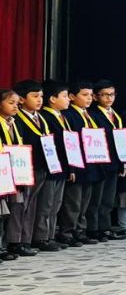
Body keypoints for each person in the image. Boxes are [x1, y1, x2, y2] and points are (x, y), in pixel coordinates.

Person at [8, 80, 51, 254]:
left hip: (41, 166)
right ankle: (15, 241)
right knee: (20, 206)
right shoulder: (17, 119)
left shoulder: (41, 118)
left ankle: (27, 239)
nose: (39, 100)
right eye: (35, 96)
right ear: (22, 99)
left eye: (41, 96)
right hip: (24, 168)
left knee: (32, 205)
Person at [60, 80, 102, 247]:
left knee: (85, 201)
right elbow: (69, 142)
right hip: (77, 163)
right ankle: (67, 232)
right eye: (84, 95)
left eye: (91, 95)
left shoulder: (90, 115)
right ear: (72, 96)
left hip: (91, 163)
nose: (89, 98)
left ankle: (80, 230)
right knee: (73, 201)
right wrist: (72, 166)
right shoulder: (69, 115)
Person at [87, 80, 126, 241]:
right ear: (96, 97)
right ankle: (93, 229)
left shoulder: (115, 114)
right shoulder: (93, 114)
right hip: (100, 161)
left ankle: (105, 227)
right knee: (96, 198)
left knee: (108, 199)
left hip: (114, 161)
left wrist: (123, 161)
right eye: (105, 95)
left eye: (112, 94)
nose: (109, 98)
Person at [39, 80, 74, 250]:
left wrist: (71, 167)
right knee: (46, 204)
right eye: (65, 96)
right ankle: (41, 237)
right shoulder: (46, 117)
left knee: (55, 204)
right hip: (51, 165)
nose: (69, 99)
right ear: (52, 99)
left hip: (62, 166)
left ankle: (51, 235)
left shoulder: (62, 117)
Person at [0, 89, 22, 260]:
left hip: (12, 171)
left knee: (7, 212)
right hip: (2, 171)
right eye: (10, 103)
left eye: (16, 103)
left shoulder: (13, 122)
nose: (15, 106)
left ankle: (5, 245)